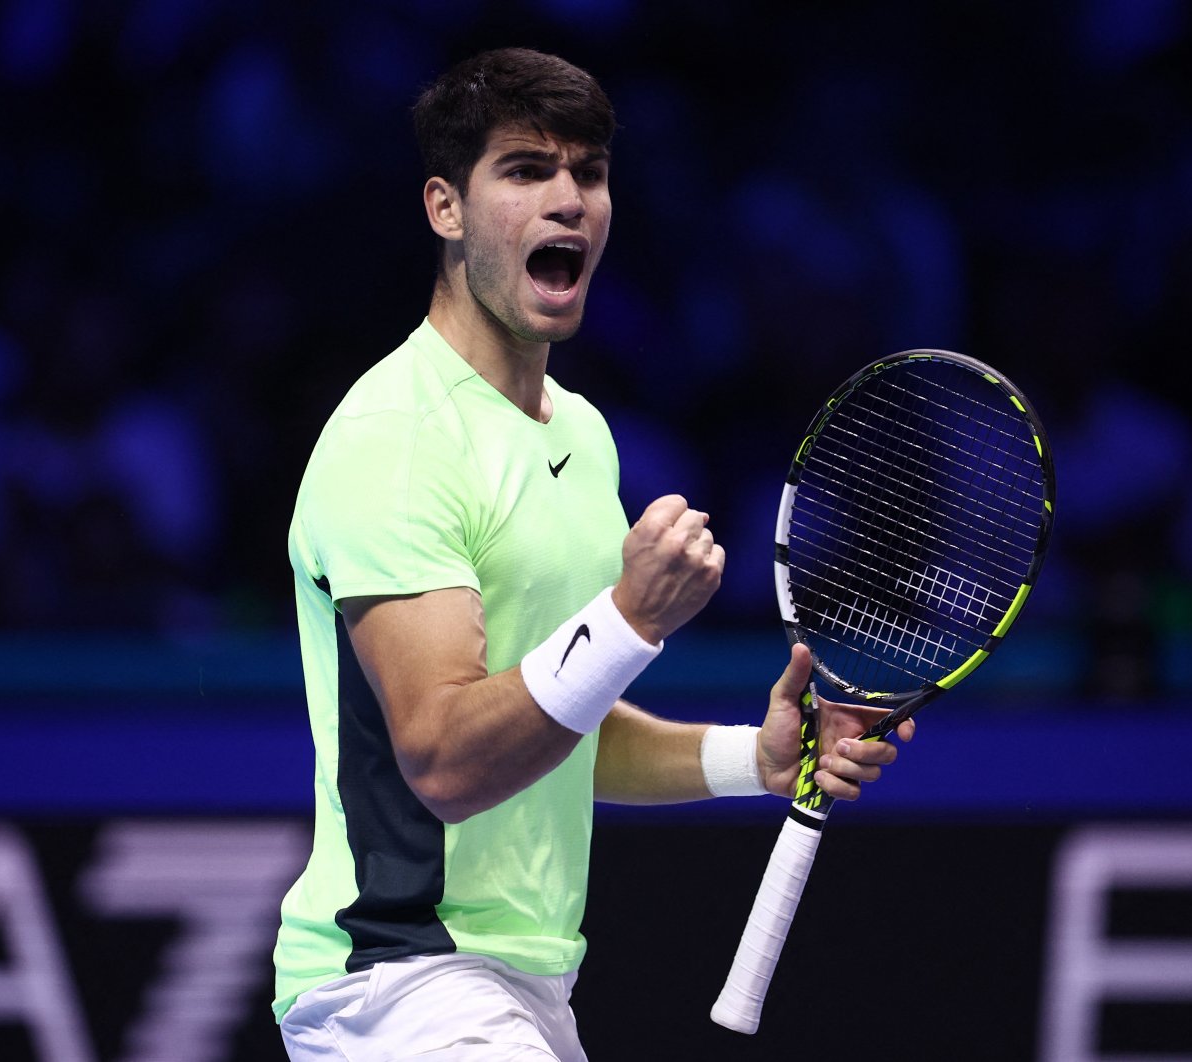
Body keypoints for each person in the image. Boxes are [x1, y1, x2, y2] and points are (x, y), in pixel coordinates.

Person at [273, 47, 913, 1060]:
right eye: (526, 171)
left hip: (521, 985)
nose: (568, 198)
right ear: (445, 208)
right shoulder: (397, 437)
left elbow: (559, 730)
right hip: (400, 984)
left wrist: (754, 758)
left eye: (590, 172)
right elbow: (444, 756)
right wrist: (628, 618)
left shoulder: (576, 432)